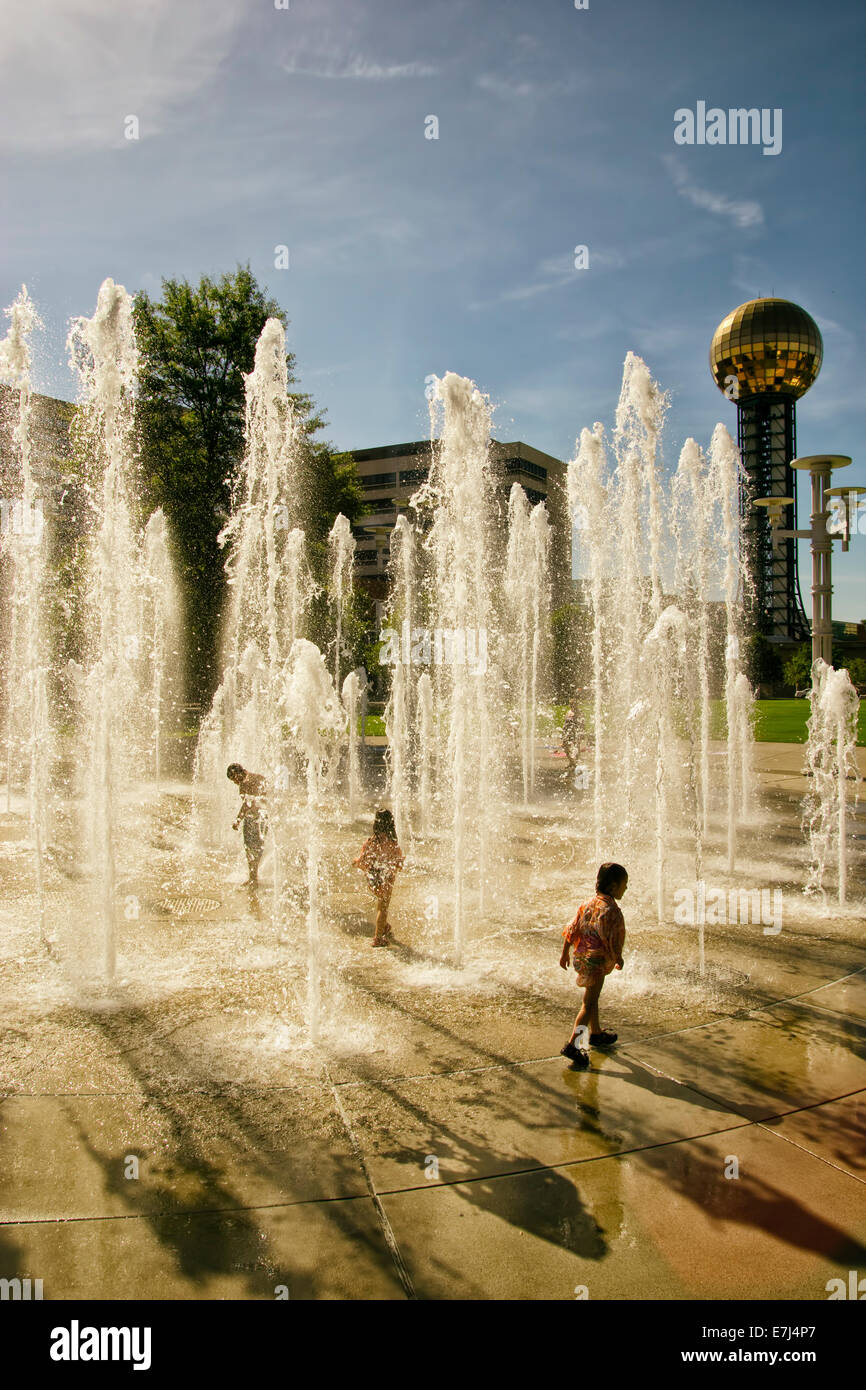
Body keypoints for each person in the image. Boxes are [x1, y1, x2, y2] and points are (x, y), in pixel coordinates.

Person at [559, 862, 627, 1067]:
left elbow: (572, 928)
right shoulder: (612, 911)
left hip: (582, 957)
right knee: (587, 1004)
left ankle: (595, 1033)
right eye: (625, 884)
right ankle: (573, 1044)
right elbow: (613, 939)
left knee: (592, 997)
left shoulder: (587, 904)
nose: (626, 888)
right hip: (596, 962)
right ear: (614, 887)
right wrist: (618, 957)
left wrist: (564, 953)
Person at [353, 809, 404, 947]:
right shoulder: (392, 844)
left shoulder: (370, 842)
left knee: (380, 904)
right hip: (386, 878)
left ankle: (384, 925)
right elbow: (398, 864)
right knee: (383, 908)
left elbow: (363, 862)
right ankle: (378, 937)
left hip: (373, 879)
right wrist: (399, 862)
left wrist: (356, 862)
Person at [227, 763, 268, 886]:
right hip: (264, 817)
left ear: (238, 774)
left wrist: (238, 820)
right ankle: (254, 877)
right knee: (258, 848)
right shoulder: (258, 777)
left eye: (234, 779)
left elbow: (247, 805)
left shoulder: (245, 783)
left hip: (254, 819)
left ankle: (253, 878)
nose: (235, 783)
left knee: (250, 848)